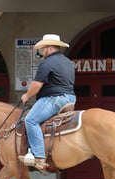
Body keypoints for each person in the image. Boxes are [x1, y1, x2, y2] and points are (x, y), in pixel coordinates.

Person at [18, 34, 76, 171]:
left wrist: (26, 96)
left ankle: (39, 157)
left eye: (42, 49)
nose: (41, 52)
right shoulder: (68, 62)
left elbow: (37, 85)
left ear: (49, 48)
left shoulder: (47, 63)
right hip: (70, 98)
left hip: (54, 98)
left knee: (31, 120)